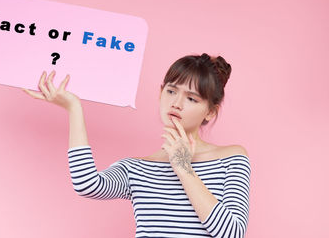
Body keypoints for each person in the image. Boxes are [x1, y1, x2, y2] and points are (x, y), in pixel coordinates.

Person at [22, 53, 251, 238]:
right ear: (160, 93)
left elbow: (231, 233)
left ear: (210, 111)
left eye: (191, 98)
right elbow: (86, 183)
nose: (177, 103)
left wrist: (183, 168)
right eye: (171, 91)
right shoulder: (137, 168)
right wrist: (73, 108)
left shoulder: (231, 158)